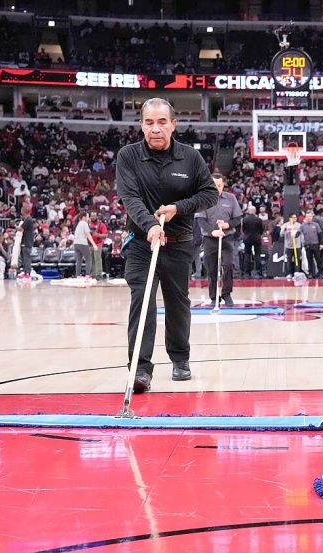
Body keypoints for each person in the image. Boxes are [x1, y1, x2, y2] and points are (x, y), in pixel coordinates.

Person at [115, 97, 217, 393]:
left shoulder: (190, 158)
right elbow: (129, 197)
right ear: (141, 125)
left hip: (179, 243)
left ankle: (180, 359)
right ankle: (140, 369)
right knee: (142, 301)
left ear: (174, 124)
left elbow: (209, 194)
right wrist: (149, 226)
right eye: (149, 122)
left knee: (177, 303)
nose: (155, 128)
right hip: (140, 243)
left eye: (162, 122)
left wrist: (178, 207)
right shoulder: (128, 156)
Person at [201, 172, 243, 306]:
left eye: (219, 185)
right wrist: (211, 231)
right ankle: (214, 297)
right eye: (214, 185)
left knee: (228, 265)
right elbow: (200, 220)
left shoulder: (231, 199)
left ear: (223, 185)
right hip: (210, 239)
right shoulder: (204, 198)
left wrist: (227, 224)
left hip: (227, 238)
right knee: (211, 268)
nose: (216, 188)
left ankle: (226, 293)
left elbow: (237, 218)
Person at [241, 205, 264, 278]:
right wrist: (258, 234)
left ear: (248, 211)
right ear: (255, 211)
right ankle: (258, 273)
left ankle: (246, 273)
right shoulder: (259, 220)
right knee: (257, 255)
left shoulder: (244, 219)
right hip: (257, 238)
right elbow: (261, 230)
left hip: (247, 238)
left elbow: (244, 229)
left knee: (247, 255)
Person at [15, 205, 36, 280]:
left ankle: (27, 273)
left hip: (27, 242)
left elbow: (20, 229)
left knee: (26, 258)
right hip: (25, 241)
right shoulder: (27, 219)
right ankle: (25, 272)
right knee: (24, 258)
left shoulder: (28, 219)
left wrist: (15, 226)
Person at [300, 211, 323, 278]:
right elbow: (299, 232)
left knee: (318, 259)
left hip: (315, 244)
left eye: (310, 217)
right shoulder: (303, 225)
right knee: (309, 260)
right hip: (307, 245)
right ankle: (310, 273)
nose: (309, 218)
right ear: (305, 218)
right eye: (307, 217)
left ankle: (320, 272)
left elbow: (320, 234)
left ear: (312, 217)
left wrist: (321, 244)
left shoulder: (316, 225)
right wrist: (294, 234)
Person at [281, 213, 303, 277]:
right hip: (289, 246)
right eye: (293, 217)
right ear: (290, 218)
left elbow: (301, 235)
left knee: (297, 260)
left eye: (295, 217)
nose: (295, 219)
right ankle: (289, 273)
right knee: (289, 261)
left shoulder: (299, 225)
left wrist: (302, 243)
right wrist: (285, 230)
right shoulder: (286, 225)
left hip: (297, 245)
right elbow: (281, 234)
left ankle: (297, 272)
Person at [72, 212, 94, 277]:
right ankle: (87, 275)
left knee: (78, 261)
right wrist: (94, 244)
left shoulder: (78, 224)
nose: (88, 218)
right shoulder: (84, 223)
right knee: (88, 259)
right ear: (84, 217)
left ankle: (78, 275)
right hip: (83, 243)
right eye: (88, 217)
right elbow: (88, 235)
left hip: (76, 244)